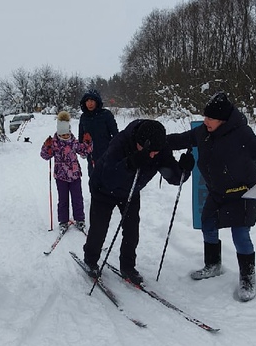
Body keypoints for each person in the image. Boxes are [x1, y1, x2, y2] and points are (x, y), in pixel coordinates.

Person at [167, 92, 256, 301]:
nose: (206, 121)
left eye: (211, 118)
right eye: (205, 117)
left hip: (244, 193)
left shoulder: (242, 135)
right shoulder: (202, 132)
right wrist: (152, 142)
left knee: (240, 234)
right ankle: (213, 265)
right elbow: (178, 140)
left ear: (223, 120)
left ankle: (248, 279)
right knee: (208, 225)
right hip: (218, 192)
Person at [83, 119, 194, 283]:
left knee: (131, 229)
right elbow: (109, 177)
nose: (152, 155)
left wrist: (183, 170)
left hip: (130, 191)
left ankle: (128, 266)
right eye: (148, 151)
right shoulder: (120, 143)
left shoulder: (158, 147)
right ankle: (91, 260)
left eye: (156, 152)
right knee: (99, 227)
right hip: (103, 189)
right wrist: (132, 161)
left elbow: (172, 176)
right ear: (138, 141)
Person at [40, 111, 92, 232]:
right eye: (62, 135)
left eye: (66, 134)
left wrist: (87, 143)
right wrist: (46, 147)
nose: (64, 137)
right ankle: (63, 221)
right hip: (61, 176)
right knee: (63, 200)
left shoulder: (74, 142)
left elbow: (84, 152)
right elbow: (45, 156)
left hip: (75, 175)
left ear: (69, 131)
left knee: (77, 198)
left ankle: (80, 219)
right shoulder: (54, 143)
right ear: (58, 133)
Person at [78, 89, 118, 179]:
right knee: (93, 177)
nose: (90, 103)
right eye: (87, 101)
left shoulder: (106, 114)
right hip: (91, 152)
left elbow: (116, 134)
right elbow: (81, 134)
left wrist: (116, 148)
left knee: (107, 177)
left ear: (97, 101)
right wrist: (81, 149)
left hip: (106, 151)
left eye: (92, 100)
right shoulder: (84, 117)